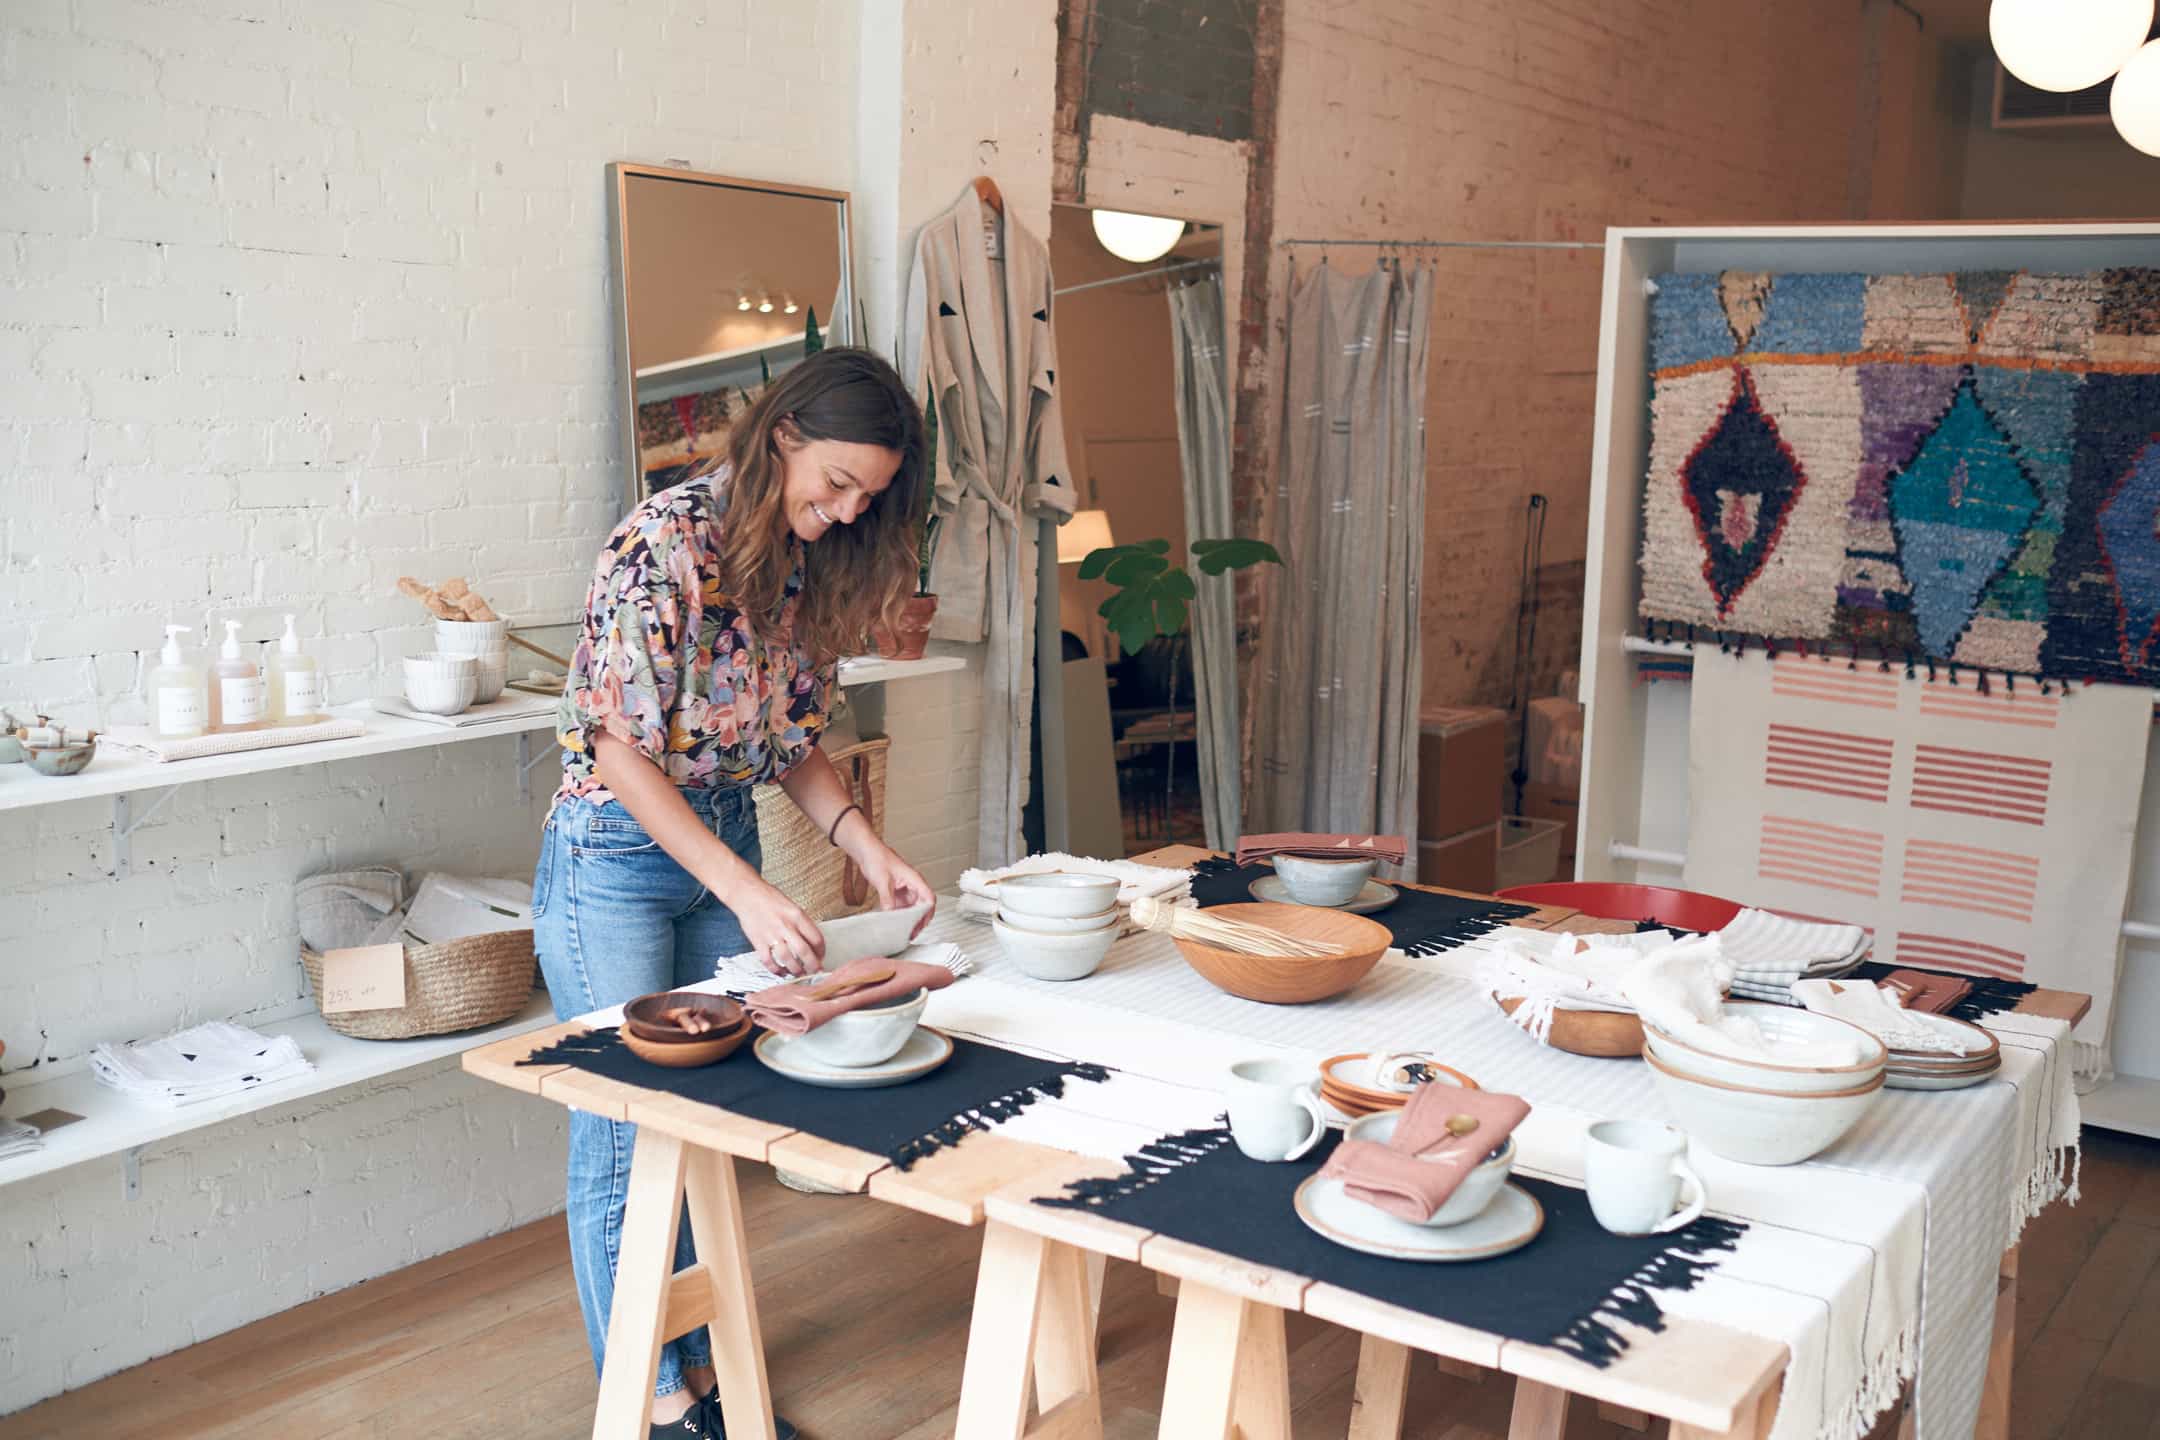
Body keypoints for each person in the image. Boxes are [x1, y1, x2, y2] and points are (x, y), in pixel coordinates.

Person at [535, 348, 938, 1438]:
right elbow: (619, 748)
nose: (848, 510)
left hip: (714, 838)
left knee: (702, 1125)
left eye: (868, 497)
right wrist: (751, 892)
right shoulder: (661, 543)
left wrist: (866, 840)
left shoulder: (801, 566)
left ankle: (702, 1378)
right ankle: (657, 1404)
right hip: (614, 857)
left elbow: (795, 740)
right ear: (785, 436)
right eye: (839, 482)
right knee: (626, 1129)